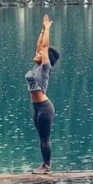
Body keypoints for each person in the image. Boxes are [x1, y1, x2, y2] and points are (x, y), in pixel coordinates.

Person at [25, 14, 60, 174]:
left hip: (45, 108)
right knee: (41, 138)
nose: (37, 53)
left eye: (41, 54)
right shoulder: (36, 67)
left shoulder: (45, 68)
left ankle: (47, 166)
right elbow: (40, 46)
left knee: (45, 138)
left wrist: (47, 29)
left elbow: (44, 47)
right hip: (37, 108)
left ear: (46, 58)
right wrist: (41, 30)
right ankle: (43, 165)